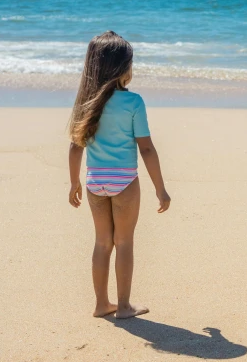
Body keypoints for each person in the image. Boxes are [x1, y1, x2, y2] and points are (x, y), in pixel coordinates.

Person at [67, 31, 170, 319]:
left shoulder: (85, 103)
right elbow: (147, 149)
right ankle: (123, 306)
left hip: (94, 182)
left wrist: (74, 182)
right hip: (124, 182)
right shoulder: (133, 102)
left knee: (102, 242)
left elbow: (75, 149)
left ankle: (101, 304)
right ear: (123, 67)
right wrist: (161, 190)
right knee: (124, 241)